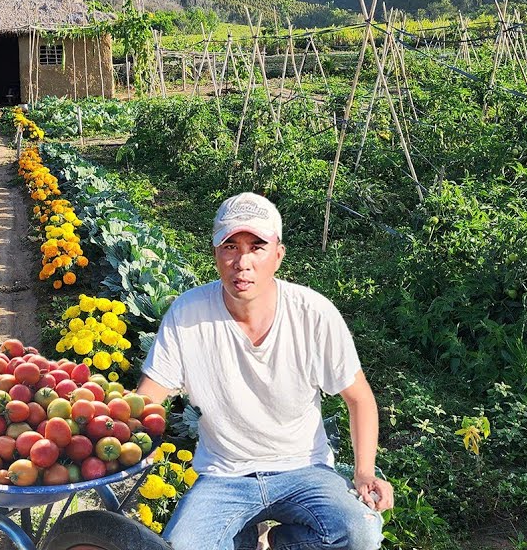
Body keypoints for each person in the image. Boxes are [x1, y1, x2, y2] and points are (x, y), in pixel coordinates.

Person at [137, 192, 393, 550]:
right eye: (230, 247)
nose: (242, 262)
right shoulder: (188, 314)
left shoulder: (313, 313)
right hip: (224, 475)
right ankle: (241, 537)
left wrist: (364, 471)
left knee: (360, 534)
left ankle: (276, 541)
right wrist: (138, 439)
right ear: (215, 254)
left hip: (304, 469)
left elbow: (359, 398)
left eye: (256, 247)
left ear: (278, 255)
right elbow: (150, 395)